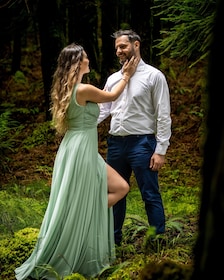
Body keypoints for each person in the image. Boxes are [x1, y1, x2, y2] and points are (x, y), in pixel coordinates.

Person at [15, 43, 139, 279]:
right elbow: (112, 96)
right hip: (81, 150)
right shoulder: (82, 89)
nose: (88, 59)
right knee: (120, 187)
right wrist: (126, 75)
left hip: (75, 148)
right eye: (85, 57)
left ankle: (81, 222)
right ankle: (77, 232)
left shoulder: (68, 89)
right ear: (77, 64)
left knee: (119, 188)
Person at [98, 29, 172, 246]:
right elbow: (103, 110)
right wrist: (81, 127)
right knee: (115, 192)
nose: (119, 51)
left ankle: (157, 241)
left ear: (136, 44)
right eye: (117, 48)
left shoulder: (154, 76)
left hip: (142, 143)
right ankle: (113, 242)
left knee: (150, 194)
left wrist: (161, 150)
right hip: (115, 144)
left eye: (123, 46)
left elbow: (163, 114)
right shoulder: (113, 79)